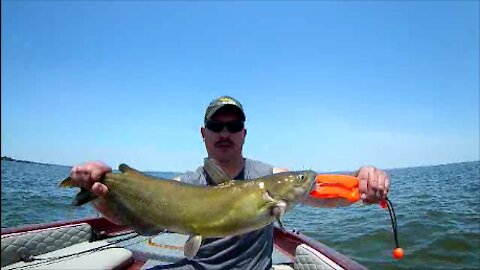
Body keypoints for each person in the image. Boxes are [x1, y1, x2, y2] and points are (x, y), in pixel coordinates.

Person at [70, 96, 390, 270]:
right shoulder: (186, 183)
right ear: (203, 133)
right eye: (216, 125)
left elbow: (322, 194)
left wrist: (360, 181)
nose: (225, 133)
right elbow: (140, 223)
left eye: (233, 125)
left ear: (244, 134)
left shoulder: (267, 175)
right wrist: (98, 193)